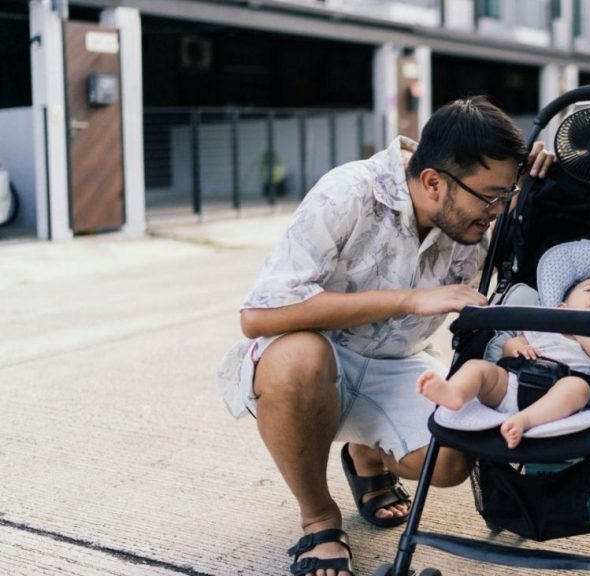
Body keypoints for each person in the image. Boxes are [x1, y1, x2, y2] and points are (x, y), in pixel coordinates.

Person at [216, 96, 554, 576]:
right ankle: (320, 518)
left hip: (400, 362)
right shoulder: (348, 192)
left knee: (453, 462)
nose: (498, 210)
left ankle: (366, 453)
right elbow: (258, 315)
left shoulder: (476, 220)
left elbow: (532, 260)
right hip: (319, 355)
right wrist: (409, 299)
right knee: (297, 362)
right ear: (434, 182)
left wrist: (545, 181)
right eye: (490, 196)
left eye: (506, 195)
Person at [417, 276, 590, 449]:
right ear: (561, 307)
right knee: (477, 368)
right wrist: (518, 347)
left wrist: (578, 322)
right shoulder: (542, 326)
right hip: (511, 385)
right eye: (589, 290)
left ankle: (525, 420)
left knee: (579, 388)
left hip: (558, 396)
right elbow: (511, 346)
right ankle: (455, 393)